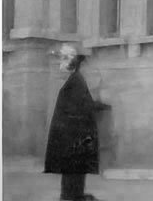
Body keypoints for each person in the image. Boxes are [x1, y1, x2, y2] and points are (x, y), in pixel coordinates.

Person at [43, 45, 110, 201]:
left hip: (72, 139)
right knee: (74, 174)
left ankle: (73, 196)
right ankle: (73, 196)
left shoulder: (75, 81)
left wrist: (99, 106)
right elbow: (83, 106)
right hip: (74, 140)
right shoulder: (76, 81)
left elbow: (81, 105)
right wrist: (101, 106)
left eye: (63, 60)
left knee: (73, 174)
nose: (61, 64)